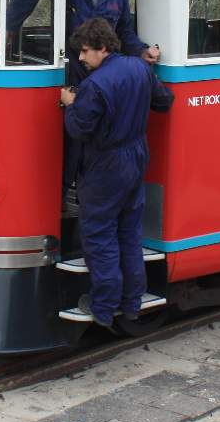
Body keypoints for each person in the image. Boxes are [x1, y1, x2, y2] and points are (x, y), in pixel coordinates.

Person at [60, 18, 174, 328]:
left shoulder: (94, 86)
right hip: (136, 156)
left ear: (103, 47)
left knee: (99, 235)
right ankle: (132, 304)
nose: (81, 59)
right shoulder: (140, 69)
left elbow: (78, 129)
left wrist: (70, 104)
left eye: (84, 51)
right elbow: (164, 102)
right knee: (129, 232)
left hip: (105, 163)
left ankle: (104, 308)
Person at [0, 0, 161, 86]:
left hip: (105, 69)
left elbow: (125, 31)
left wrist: (141, 51)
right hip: (73, 64)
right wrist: (9, 27)